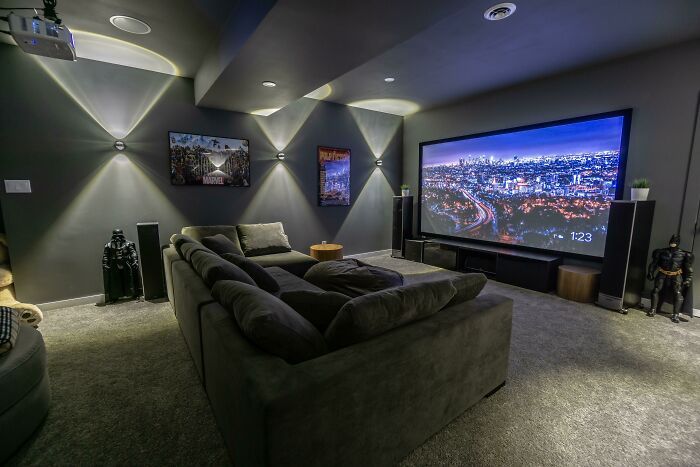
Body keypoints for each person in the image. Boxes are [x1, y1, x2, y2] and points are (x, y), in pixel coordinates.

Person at [647, 234, 693, 323]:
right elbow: (654, 263)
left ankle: (675, 314)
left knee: (678, 293)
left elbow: (688, 269)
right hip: (662, 273)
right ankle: (653, 309)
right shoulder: (660, 252)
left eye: (675, 240)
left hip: (676, 275)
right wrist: (650, 272)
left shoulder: (685, 254)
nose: (673, 242)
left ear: (678, 242)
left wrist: (688, 279)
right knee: (656, 290)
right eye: (672, 240)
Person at [102, 229, 142, 303]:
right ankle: (114, 297)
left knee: (130, 279)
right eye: (115, 236)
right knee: (115, 282)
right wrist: (105, 264)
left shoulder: (128, 244)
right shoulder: (108, 246)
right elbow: (106, 256)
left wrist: (134, 261)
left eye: (119, 236)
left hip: (126, 264)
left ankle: (134, 294)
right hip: (114, 265)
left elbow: (133, 253)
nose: (117, 238)